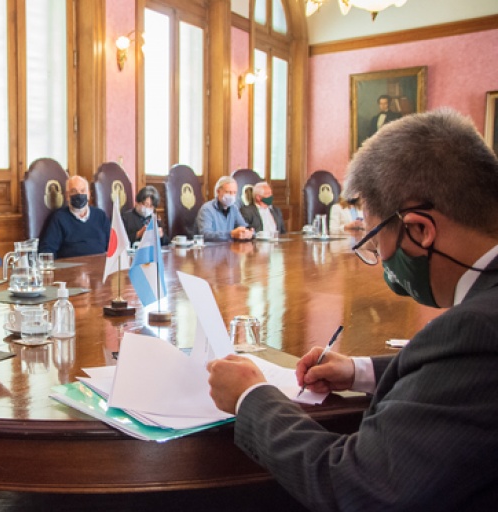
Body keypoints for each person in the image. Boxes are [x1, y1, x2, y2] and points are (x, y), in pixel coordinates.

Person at [207, 108, 498, 510]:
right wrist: (359, 371)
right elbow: (459, 376)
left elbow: (356, 485)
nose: (379, 260)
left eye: (376, 243)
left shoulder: (476, 330)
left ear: (420, 230)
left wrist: (251, 396)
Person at [38, 175, 110, 258]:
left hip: (100, 263)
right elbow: (47, 250)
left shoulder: (100, 216)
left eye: (82, 190)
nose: (79, 194)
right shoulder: (59, 218)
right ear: (67, 196)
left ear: (89, 194)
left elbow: (113, 245)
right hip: (72, 265)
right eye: (74, 191)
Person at [195, 176, 253, 242]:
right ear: (218, 191)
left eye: (234, 193)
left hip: (230, 247)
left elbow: (244, 226)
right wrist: (231, 234)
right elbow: (205, 235)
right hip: (212, 247)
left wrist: (249, 232)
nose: (232, 196)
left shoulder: (234, 208)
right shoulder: (207, 209)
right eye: (228, 192)